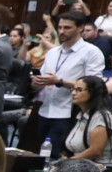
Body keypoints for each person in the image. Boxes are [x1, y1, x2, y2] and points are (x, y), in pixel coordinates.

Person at [27, 13, 103, 150]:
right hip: (45, 110)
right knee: (38, 155)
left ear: (80, 28)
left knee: (56, 156)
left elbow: (94, 85)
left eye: (67, 27)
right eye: (60, 27)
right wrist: (36, 83)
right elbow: (41, 82)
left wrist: (60, 81)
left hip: (69, 113)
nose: (61, 31)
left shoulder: (92, 52)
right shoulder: (53, 52)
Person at [59, 74, 112, 166]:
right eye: (73, 89)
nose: (73, 93)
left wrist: (68, 162)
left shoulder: (102, 116)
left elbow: (95, 151)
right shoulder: (80, 115)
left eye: (79, 90)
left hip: (98, 169)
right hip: (78, 165)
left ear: (93, 92)